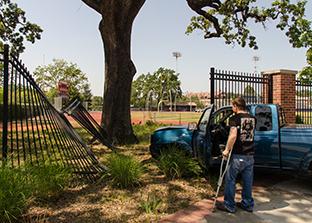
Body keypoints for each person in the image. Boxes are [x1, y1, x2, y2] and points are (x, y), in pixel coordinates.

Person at [217, 97, 256, 213]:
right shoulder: (253, 118)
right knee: (248, 181)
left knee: (230, 179)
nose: (232, 108)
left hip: (238, 155)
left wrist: (226, 150)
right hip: (250, 155)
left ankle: (229, 205)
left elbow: (233, 135)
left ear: (236, 106)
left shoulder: (234, 119)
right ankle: (247, 204)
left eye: (232, 106)